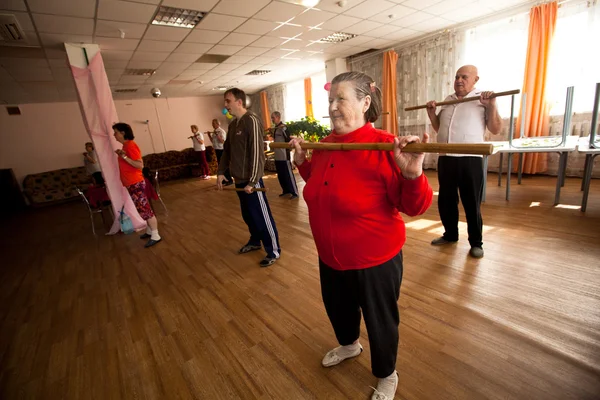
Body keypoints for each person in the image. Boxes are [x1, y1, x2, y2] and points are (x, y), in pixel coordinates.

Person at [290, 71, 433, 400]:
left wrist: (412, 174)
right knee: (338, 309)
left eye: (341, 99)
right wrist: (302, 163)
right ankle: (350, 345)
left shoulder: (385, 146)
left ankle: (386, 374)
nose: (333, 107)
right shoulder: (324, 146)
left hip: (375, 259)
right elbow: (322, 185)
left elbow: (416, 206)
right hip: (330, 256)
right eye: (330, 100)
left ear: (365, 102)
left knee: (380, 321)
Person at [425, 65, 502, 259]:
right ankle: (450, 235)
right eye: (457, 76)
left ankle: (476, 242)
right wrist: (432, 114)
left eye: (464, 77)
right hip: (446, 158)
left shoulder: (483, 99)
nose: (459, 80)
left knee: (471, 203)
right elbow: (439, 128)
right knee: (446, 201)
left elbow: (495, 129)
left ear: (476, 80)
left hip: (470, 159)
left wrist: (491, 105)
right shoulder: (448, 100)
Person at [217, 88, 281, 268]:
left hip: (252, 181)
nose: (225, 105)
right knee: (248, 215)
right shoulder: (232, 125)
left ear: (239, 102)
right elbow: (227, 151)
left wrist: (253, 181)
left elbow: (256, 153)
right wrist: (221, 172)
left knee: (261, 216)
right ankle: (255, 241)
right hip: (239, 180)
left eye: (228, 101)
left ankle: (273, 250)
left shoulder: (251, 120)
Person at [113, 122, 162, 248]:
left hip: (136, 182)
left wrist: (124, 157)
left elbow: (140, 165)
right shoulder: (125, 146)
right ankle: (150, 230)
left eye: (116, 132)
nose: (114, 135)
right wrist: (122, 155)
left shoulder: (130, 146)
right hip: (131, 183)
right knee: (141, 208)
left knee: (145, 208)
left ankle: (156, 235)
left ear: (123, 133)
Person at [271, 111, 298, 199]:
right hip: (277, 156)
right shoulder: (275, 128)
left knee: (288, 174)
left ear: (278, 117)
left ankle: (294, 192)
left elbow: (288, 140)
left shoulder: (284, 128)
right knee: (281, 175)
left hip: (284, 155)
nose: (272, 119)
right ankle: (286, 190)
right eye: (271, 118)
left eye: (273, 118)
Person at [207, 119, 233, 185]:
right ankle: (224, 179)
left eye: (214, 123)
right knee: (220, 165)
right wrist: (209, 135)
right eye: (212, 123)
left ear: (217, 124)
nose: (212, 125)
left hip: (222, 149)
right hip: (216, 149)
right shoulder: (214, 131)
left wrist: (217, 135)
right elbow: (213, 141)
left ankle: (229, 180)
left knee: (224, 165)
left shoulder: (221, 131)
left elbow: (223, 141)